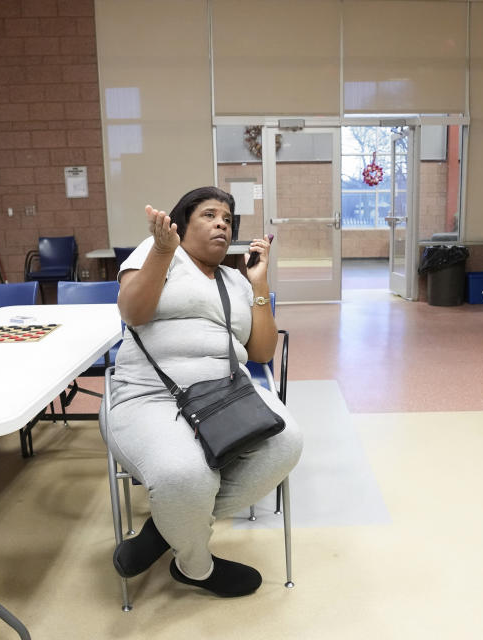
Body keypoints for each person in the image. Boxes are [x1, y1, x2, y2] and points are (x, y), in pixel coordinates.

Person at [103, 186, 302, 597]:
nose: (221, 224)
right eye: (209, 215)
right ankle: (196, 566)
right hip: (149, 395)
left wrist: (259, 282)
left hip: (226, 393)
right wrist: (162, 249)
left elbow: (262, 352)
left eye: (228, 220)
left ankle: (163, 530)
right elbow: (132, 313)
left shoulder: (235, 280)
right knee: (184, 475)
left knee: (287, 442)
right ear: (181, 224)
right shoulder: (156, 253)